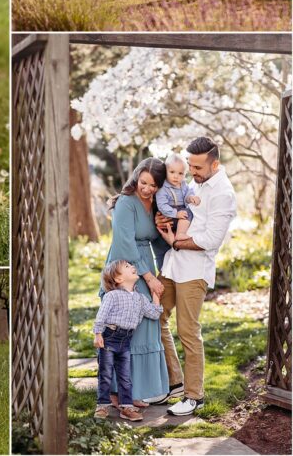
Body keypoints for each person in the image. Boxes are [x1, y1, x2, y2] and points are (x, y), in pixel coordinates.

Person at [155, 137, 237, 416]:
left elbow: (212, 239)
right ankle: (175, 381)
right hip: (172, 265)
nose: (192, 171)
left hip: (194, 271)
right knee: (155, 316)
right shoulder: (196, 183)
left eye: (198, 166)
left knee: (188, 332)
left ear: (216, 163)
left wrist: (178, 242)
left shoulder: (223, 192)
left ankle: (194, 396)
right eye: (190, 165)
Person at [99, 158, 171, 407]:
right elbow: (125, 243)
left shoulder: (157, 205)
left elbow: (158, 241)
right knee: (123, 329)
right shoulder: (126, 203)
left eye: (153, 185)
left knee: (145, 329)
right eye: (143, 182)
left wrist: (164, 268)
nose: (147, 188)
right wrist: (148, 277)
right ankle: (115, 393)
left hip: (145, 264)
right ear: (136, 178)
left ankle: (135, 391)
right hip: (125, 267)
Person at [93, 260, 165, 422]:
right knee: (105, 374)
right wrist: (97, 334)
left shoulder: (139, 298)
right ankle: (102, 405)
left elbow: (154, 313)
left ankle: (126, 407)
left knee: (125, 376)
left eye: (131, 266)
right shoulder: (112, 296)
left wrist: (155, 296)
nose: (133, 267)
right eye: (127, 267)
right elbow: (101, 315)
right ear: (118, 279)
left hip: (125, 341)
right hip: (109, 338)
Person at [155, 153, 200, 242]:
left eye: (180, 173)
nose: (176, 176)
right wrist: (175, 213)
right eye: (172, 172)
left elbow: (188, 193)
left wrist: (190, 198)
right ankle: (179, 234)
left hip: (181, 213)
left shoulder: (183, 184)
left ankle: (180, 234)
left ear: (185, 174)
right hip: (169, 214)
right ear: (166, 171)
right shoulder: (163, 188)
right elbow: (162, 205)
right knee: (186, 213)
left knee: (189, 212)